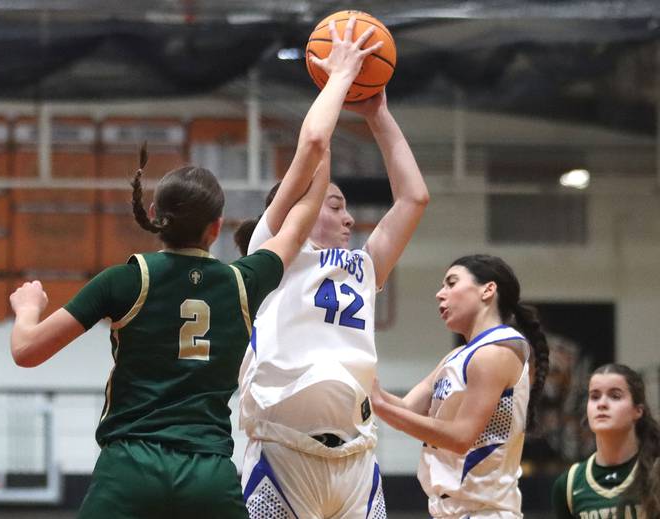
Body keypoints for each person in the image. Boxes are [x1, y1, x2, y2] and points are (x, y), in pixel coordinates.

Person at [7, 17, 380, 519]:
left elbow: (27, 351)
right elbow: (312, 158)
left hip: (130, 466)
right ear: (218, 227)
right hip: (207, 472)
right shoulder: (244, 282)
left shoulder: (126, 278)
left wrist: (27, 308)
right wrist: (335, 83)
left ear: (157, 220)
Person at [235, 22, 430, 519]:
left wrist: (379, 113)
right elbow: (315, 145)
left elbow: (414, 197)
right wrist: (338, 77)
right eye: (335, 204)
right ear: (302, 204)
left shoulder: (365, 268)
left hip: (357, 456)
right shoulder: (272, 251)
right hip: (284, 452)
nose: (348, 218)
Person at [371, 254, 551, 518]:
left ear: (488, 290)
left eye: (451, 283)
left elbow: (460, 437)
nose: (439, 294)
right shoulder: (457, 356)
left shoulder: (497, 351)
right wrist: (361, 379)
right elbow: (407, 406)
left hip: (484, 511)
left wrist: (383, 409)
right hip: (451, 509)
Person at [552, 363, 660, 519]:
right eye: (594, 396)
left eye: (615, 396)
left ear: (638, 410)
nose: (602, 404)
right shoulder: (569, 484)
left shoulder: (655, 472)